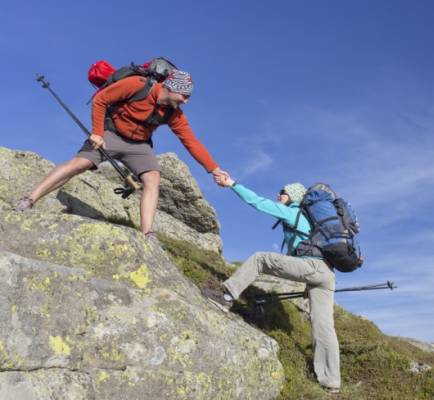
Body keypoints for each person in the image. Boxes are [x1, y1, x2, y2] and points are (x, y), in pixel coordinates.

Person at [14, 70, 227, 239]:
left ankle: (147, 234)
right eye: (184, 95)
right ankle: (30, 199)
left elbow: (191, 142)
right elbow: (101, 100)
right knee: (80, 164)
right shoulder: (136, 85)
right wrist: (97, 133)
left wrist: (214, 169)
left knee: (153, 178)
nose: (186, 101)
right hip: (110, 134)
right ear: (172, 88)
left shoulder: (174, 114)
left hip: (140, 145)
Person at [214, 174, 341, 393]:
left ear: (293, 195)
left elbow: (258, 203)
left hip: (312, 268)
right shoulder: (312, 221)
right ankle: (332, 382)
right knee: (324, 327)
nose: (278, 195)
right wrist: (307, 286)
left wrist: (232, 184)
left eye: (283, 192)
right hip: (326, 274)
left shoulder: (293, 212)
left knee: (260, 259)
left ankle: (226, 296)